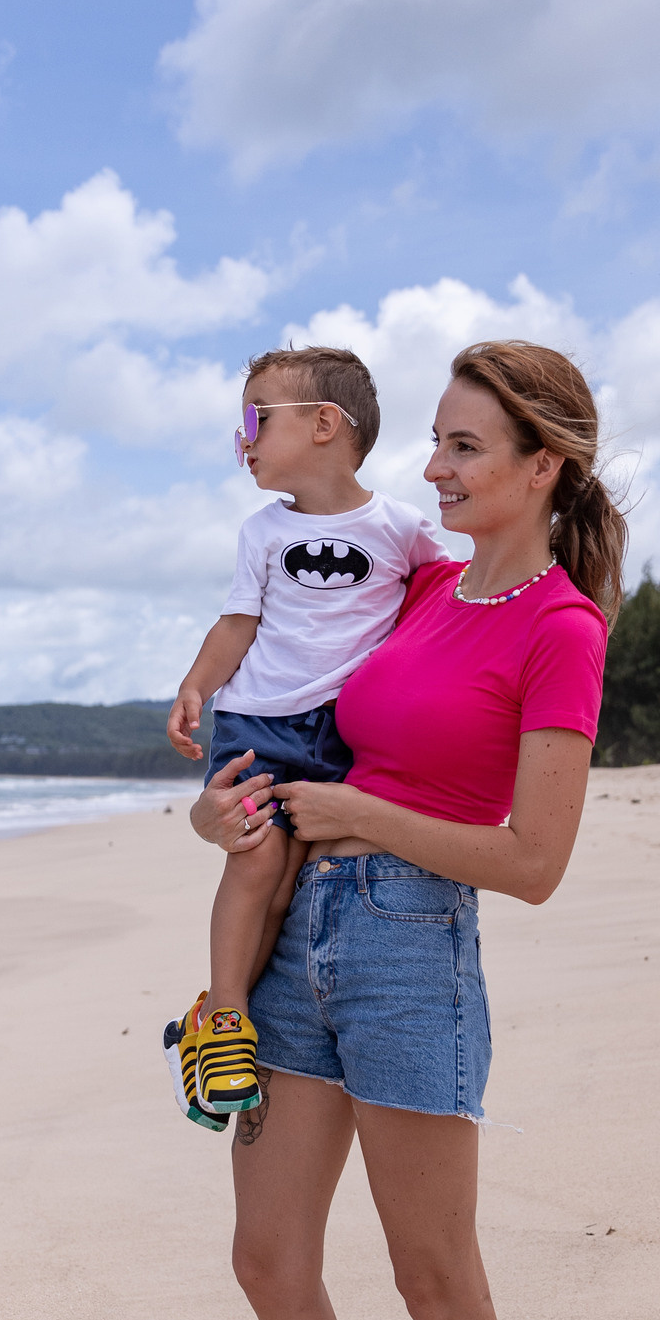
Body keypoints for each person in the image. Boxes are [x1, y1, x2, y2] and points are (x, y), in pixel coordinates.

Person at [189, 339, 627, 1320]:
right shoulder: (417, 579)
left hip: (411, 951)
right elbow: (288, 699)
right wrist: (226, 814)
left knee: (438, 1285)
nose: (429, 470)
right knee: (268, 1257)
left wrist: (364, 820)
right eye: (432, 443)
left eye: (462, 450)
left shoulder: (560, 631)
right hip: (299, 938)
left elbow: (536, 859)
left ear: (542, 468)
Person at [164, 346, 442, 1126]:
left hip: (347, 732)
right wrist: (196, 686)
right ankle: (224, 1020)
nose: (241, 438)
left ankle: (214, 1018)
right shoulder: (263, 532)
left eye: (256, 418)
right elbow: (238, 622)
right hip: (259, 721)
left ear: (325, 424)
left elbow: (451, 602)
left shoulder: (401, 528)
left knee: (295, 883)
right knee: (259, 861)